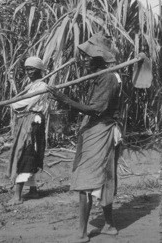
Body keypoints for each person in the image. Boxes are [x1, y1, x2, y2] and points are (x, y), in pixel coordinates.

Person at [49, 32, 122, 243]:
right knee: (104, 177)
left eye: (89, 56)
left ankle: (82, 232)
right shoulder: (102, 75)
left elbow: (97, 109)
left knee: (87, 180)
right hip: (97, 129)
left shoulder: (108, 77)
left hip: (101, 130)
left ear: (99, 58)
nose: (85, 60)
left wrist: (65, 100)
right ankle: (108, 225)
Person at [7, 56, 49, 206]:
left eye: (32, 69)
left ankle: (17, 196)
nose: (29, 72)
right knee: (29, 153)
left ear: (39, 70)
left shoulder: (42, 86)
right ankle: (33, 190)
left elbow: (27, 103)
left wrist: (12, 103)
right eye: (27, 69)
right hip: (27, 121)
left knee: (25, 153)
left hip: (33, 122)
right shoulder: (31, 86)